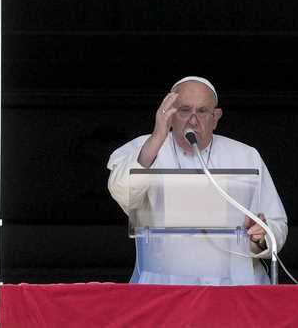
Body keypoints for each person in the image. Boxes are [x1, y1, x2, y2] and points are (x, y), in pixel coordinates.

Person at [107, 76, 288, 284]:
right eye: (184, 110)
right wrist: (158, 136)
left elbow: (277, 223)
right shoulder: (144, 148)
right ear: (169, 114)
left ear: (216, 117)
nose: (193, 120)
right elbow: (123, 194)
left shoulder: (246, 155)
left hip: (234, 285)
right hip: (164, 284)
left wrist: (261, 238)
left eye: (202, 111)